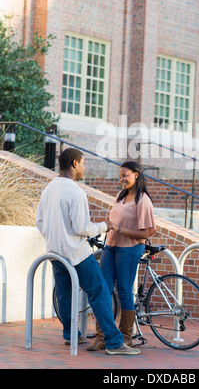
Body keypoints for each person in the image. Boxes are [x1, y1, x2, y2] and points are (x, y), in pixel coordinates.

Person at [35, 148, 140, 355]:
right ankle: (114, 342)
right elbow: (82, 228)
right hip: (77, 253)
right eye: (83, 163)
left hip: (55, 252)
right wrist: (104, 226)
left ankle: (70, 334)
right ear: (74, 164)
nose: (84, 168)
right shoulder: (76, 192)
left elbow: (39, 221)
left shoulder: (49, 189)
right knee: (99, 292)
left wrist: (55, 236)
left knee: (64, 295)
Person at [87, 161, 155, 351]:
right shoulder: (120, 196)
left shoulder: (143, 201)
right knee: (103, 289)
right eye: (120, 176)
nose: (122, 179)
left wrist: (119, 228)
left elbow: (146, 233)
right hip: (111, 246)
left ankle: (126, 337)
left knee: (124, 290)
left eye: (125, 175)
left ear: (136, 175)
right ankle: (102, 336)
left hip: (130, 248)